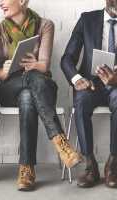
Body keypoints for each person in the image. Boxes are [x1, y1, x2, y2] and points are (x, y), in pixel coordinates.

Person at [0, 0, 82, 191]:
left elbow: (44, 66)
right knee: (30, 82)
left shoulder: (45, 25)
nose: (0, 3)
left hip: (40, 86)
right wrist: (6, 70)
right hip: (9, 87)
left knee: (28, 96)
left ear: (22, 1)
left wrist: (34, 65)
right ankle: (61, 142)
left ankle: (26, 169)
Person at [61, 0, 117, 189]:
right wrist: (77, 79)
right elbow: (67, 57)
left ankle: (113, 164)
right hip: (90, 83)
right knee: (82, 101)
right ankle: (90, 164)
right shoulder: (87, 19)